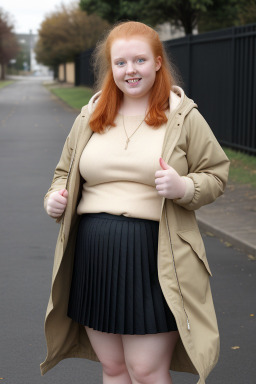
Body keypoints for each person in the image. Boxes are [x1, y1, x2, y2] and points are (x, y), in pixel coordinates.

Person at [41, 21, 229, 384]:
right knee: (113, 368)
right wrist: (54, 198)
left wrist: (183, 187)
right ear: (111, 68)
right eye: (121, 63)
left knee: (146, 371)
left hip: (155, 257)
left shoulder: (182, 116)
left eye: (140, 60)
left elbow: (216, 174)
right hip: (94, 256)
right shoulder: (91, 117)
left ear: (158, 62)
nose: (130, 71)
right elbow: (63, 173)